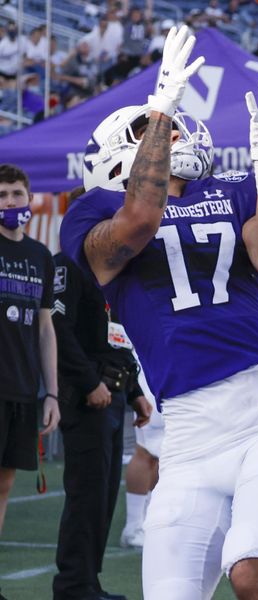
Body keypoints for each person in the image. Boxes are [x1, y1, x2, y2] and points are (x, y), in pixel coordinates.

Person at [59, 28, 258, 599]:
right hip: (186, 435)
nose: (174, 130)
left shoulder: (229, 186)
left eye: (170, 126)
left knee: (252, 574)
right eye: (155, 131)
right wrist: (158, 108)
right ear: (117, 154)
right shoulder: (93, 211)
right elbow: (138, 225)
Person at [51, 237, 152, 600]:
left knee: (104, 495)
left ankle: (88, 583)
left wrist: (136, 390)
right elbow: (58, 330)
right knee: (86, 495)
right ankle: (73, 586)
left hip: (114, 393)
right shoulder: (68, 264)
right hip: (85, 396)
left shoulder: (113, 268)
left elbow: (119, 340)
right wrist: (89, 382)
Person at [0, 164, 60, 535]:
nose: (9, 201)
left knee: (4, 486)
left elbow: (45, 328)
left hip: (22, 388)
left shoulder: (41, 256)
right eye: (2, 195)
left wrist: (51, 392)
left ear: (29, 198)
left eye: (16, 194)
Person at [121, 364, 163, 549]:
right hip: (151, 370)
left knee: (162, 452)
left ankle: (146, 521)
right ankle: (133, 526)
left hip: (166, 368)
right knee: (146, 450)